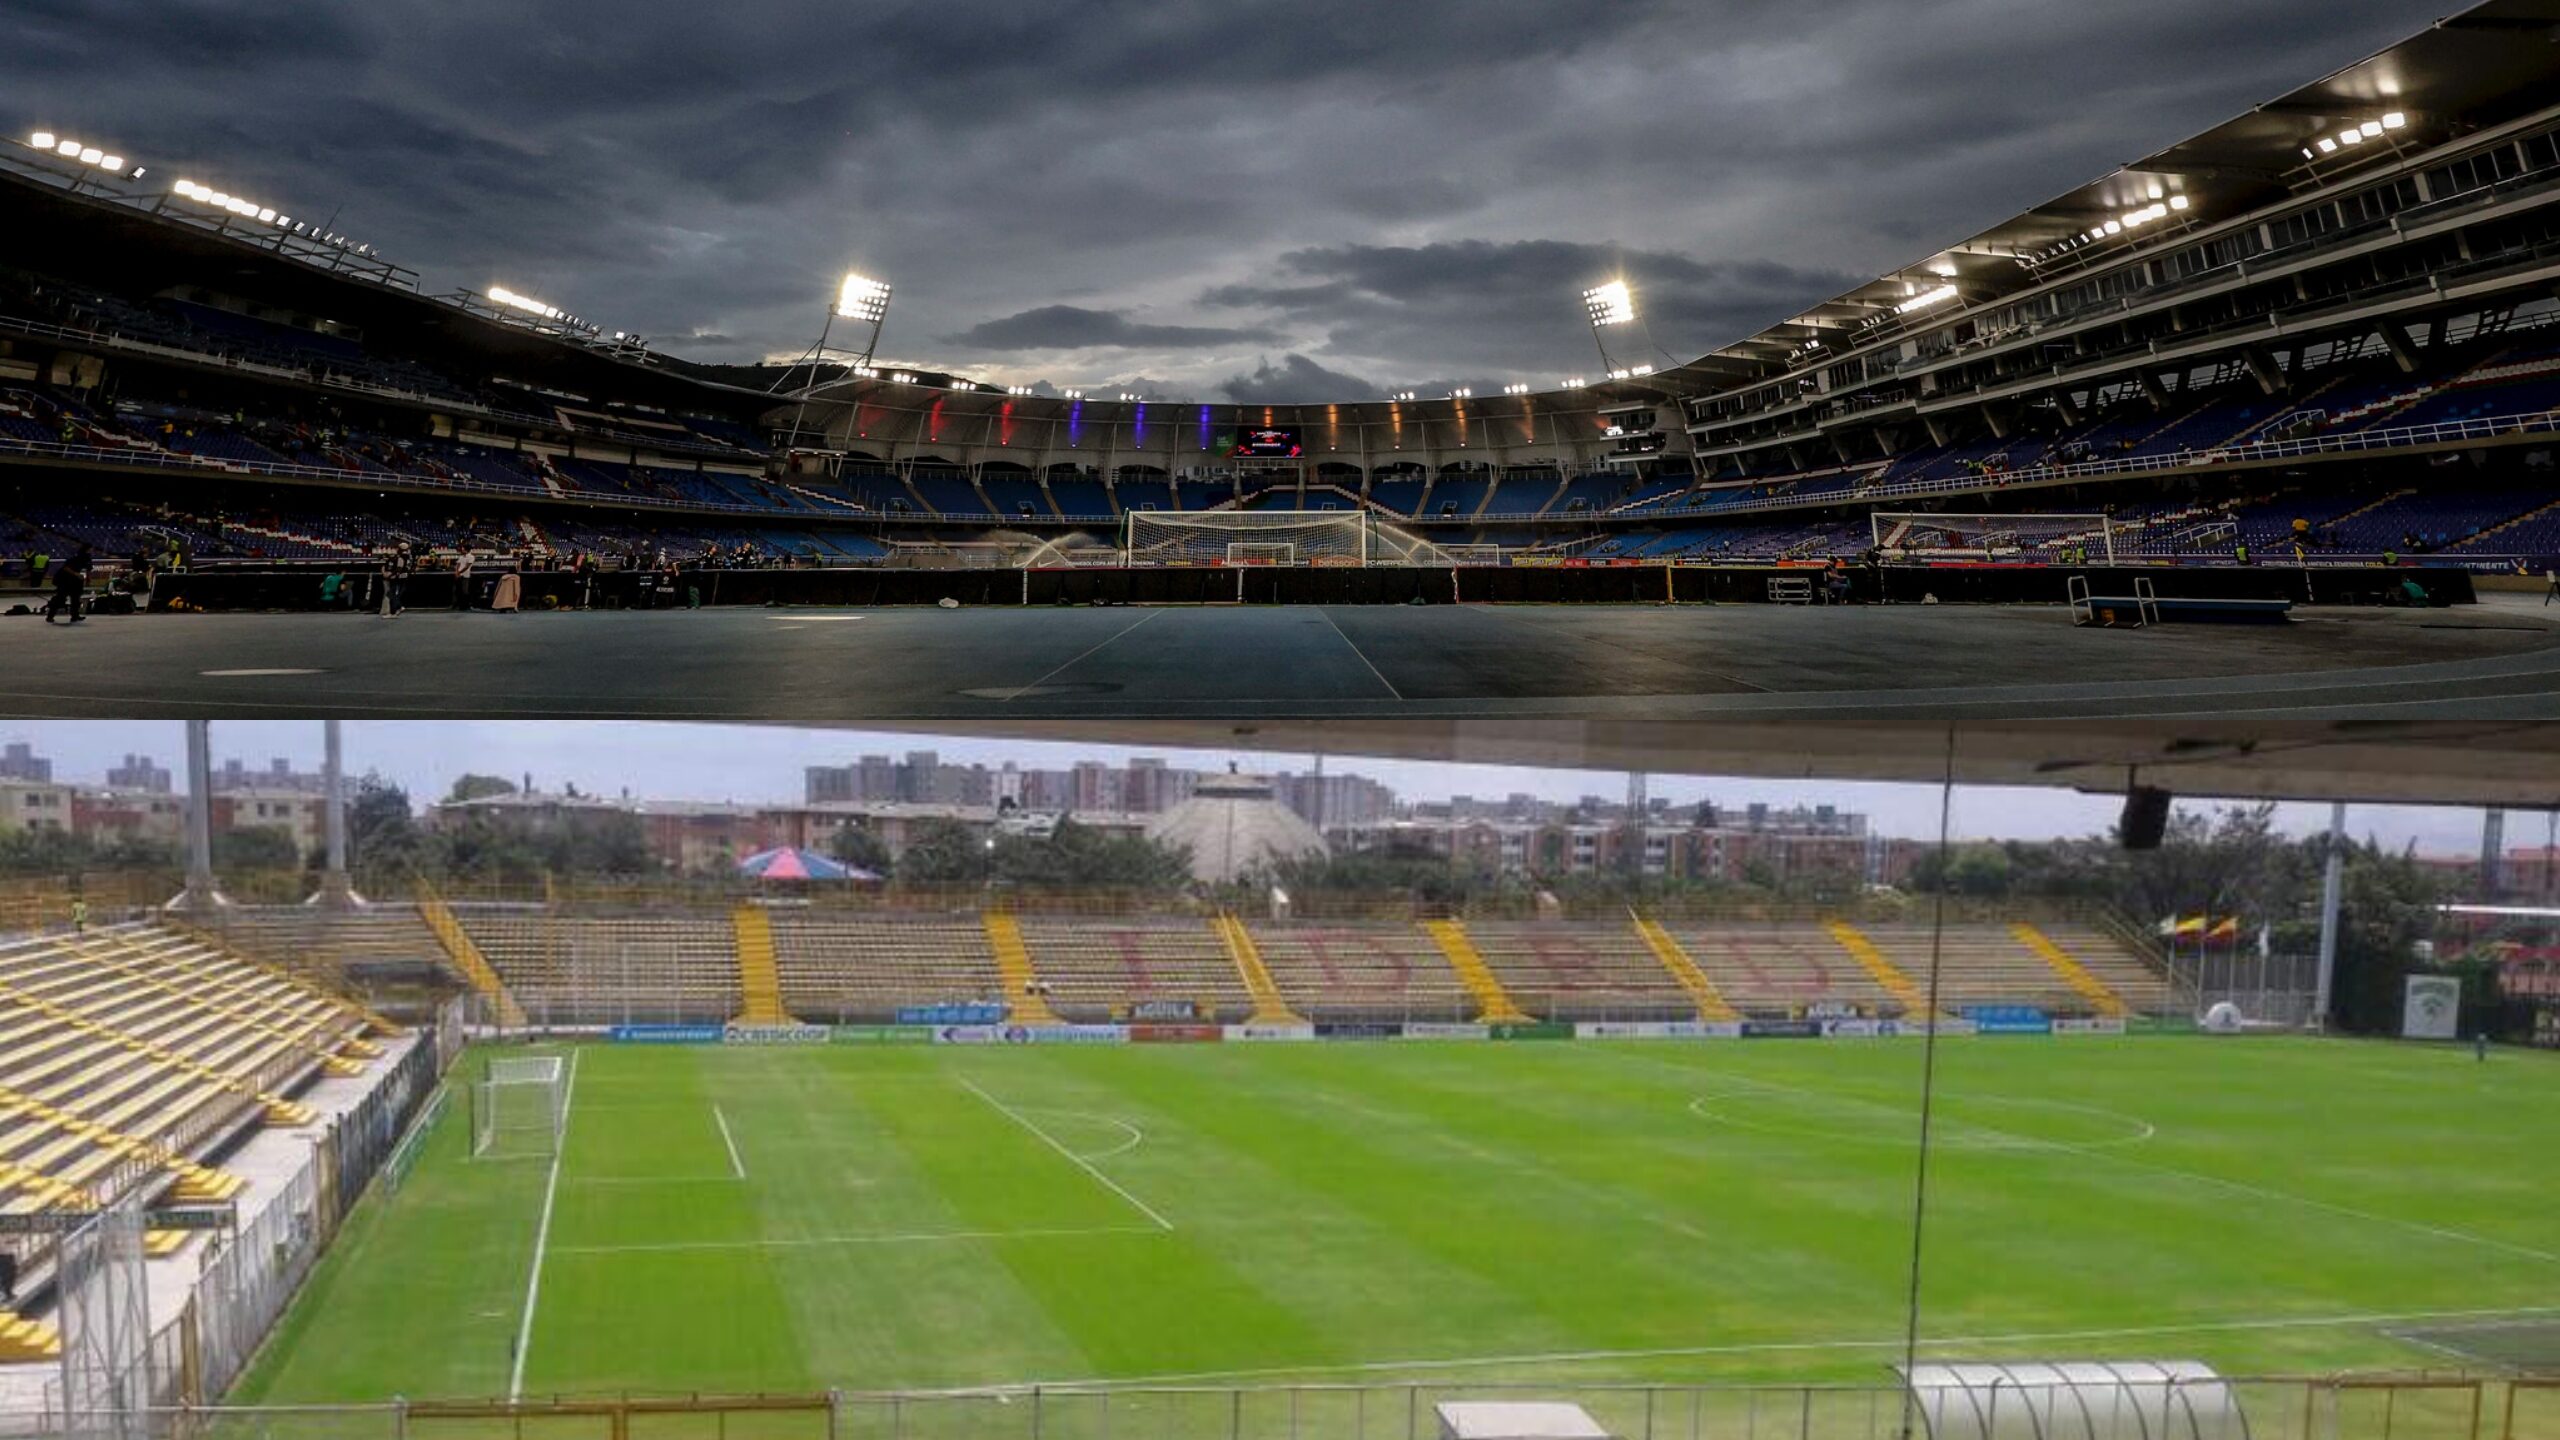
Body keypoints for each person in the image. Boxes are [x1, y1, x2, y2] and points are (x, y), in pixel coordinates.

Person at [41, 545, 89, 624]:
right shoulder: (75, 559)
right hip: (65, 580)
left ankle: (75, 616)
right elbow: (66, 568)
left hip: (75, 581)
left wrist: (86, 579)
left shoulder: (86, 559)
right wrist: (76, 574)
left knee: (75, 599)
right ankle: (50, 616)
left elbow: (88, 569)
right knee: (60, 598)